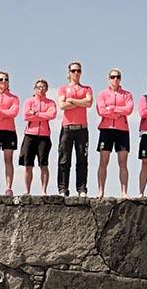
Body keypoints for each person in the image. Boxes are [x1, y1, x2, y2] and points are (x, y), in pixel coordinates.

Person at [96, 68, 133, 198]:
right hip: (106, 130)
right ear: (108, 78)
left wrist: (112, 109)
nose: (115, 79)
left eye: (117, 77)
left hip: (122, 130)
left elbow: (129, 109)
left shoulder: (127, 94)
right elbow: (101, 111)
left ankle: (124, 192)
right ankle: (101, 191)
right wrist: (118, 113)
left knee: (123, 163)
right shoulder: (102, 94)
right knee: (103, 162)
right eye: (112, 77)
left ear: (120, 78)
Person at [57, 62, 93, 197]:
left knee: (82, 160)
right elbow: (62, 105)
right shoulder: (63, 88)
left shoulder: (87, 88)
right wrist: (80, 102)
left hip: (82, 129)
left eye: (78, 70)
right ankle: (62, 189)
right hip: (67, 128)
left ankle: (82, 189)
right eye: (73, 70)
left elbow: (88, 103)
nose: (76, 73)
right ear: (69, 72)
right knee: (64, 160)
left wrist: (71, 100)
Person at [18, 79, 57, 195]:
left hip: (44, 136)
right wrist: (42, 116)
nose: (41, 89)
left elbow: (52, 115)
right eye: (39, 87)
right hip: (30, 134)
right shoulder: (28, 101)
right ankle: (27, 190)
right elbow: (26, 116)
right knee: (28, 165)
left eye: (44, 87)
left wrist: (35, 113)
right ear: (35, 89)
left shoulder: (51, 103)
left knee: (43, 164)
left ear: (47, 89)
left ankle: (43, 191)